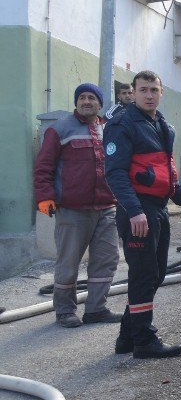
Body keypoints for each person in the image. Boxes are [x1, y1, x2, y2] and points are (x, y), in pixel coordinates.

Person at [104, 71, 181, 358]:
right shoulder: (122, 124)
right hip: (137, 210)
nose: (148, 95)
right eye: (143, 90)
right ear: (133, 92)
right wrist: (134, 211)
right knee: (144, 275)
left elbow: (165, 171)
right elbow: (115, 173)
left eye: (153, 89)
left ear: (161, 92)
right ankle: (144, 340)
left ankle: (127, 337)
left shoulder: (161, 126)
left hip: (157, 209)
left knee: (153, 275)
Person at [33, 83, 121, 328]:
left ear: (99, 104)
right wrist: (44, 197)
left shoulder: (109, 129)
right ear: (76, 102)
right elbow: (43, 167)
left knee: (106, 260)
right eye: (81, 97)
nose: (86, 101)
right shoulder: (59, 129)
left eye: (91, 97)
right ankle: (64, 311)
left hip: (107, 208)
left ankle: (96, 309)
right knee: (69, 262)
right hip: (72, 209)